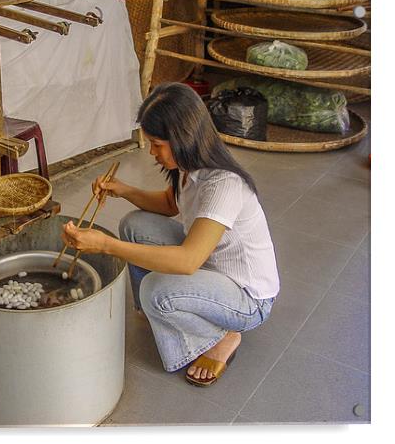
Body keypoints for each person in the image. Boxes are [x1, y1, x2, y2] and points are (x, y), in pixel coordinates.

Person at [61, 82, 280, 387]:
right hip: (211, 267)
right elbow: (168, 204)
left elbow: (188, 261)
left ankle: (221, 337)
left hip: (247, 299)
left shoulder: (224, 185)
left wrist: (107, 246)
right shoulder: (190, 167)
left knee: (156, 289)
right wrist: (123, 190)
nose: (152, 152)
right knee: (134, 225)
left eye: (157, 144)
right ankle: (165, 313)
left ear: (182, 138)